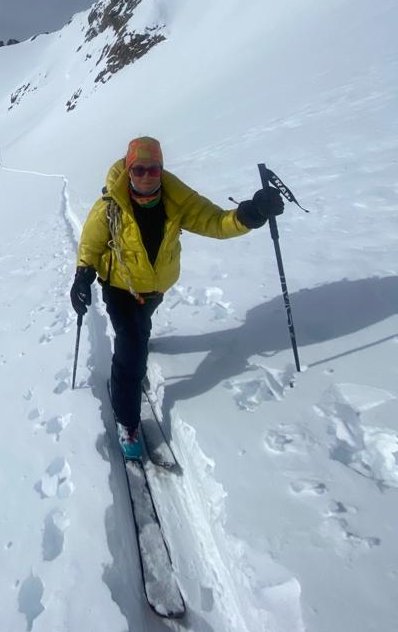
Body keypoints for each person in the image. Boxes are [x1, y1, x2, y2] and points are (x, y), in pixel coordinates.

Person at [69, 136, 283, 459]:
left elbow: (215, 222)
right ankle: (127, 420)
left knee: (141, 329)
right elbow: (90, 244)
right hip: (120, 288)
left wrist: (251, 214)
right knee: (131, 351)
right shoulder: (109, 205)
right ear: (128, 170)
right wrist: (82, 276)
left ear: (161, 169)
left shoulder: (177, 199)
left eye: (152, 170)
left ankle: (137, 350)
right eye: (138, 169)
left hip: (155, 289)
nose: (145, 176)